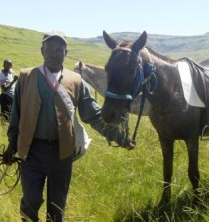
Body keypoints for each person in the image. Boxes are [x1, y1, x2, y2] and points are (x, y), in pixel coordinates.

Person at [2, 30, 134, 222]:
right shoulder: (26, 77)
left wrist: (120, 138)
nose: (54, 53)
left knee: (57, 208)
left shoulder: (76, 81)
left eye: (59, 49)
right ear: (42, 51)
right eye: (49, 49)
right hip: (31, 152)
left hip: (62, 153)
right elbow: (16, 116)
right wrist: (12, 145)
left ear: (66, 52)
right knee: (30, 201)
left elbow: (94, 115)